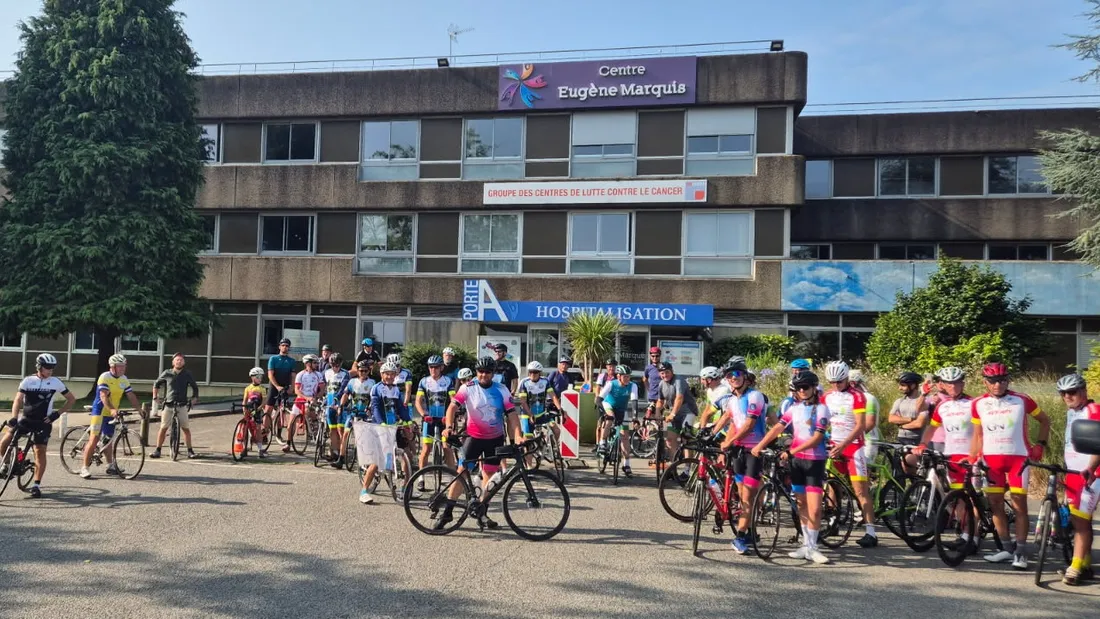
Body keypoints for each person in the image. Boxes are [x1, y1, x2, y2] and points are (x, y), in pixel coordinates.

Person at [970, 362, 1050, 569]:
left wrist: (1040, 445)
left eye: (1003, 380)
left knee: (1019, 505)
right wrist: (973, 457)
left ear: (1008, 380)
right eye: (993, 381)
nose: (998, 384)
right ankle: (1006, 548)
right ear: (985, 382)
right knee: (995, 505)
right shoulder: (978, 403)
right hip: (991, 461)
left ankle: (1021, 553)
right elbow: (978, 434)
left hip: (1018, 460)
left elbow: (1044, 420)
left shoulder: (1022, 400)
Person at [752, 371, 830, 564]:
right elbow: (778, 427)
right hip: (796, 463)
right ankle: (806, 545)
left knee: (814, 509)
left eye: (806, 387)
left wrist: (793, 450)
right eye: (798, 388)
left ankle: (813, 547)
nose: (802, 391)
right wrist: (759, 445)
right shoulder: (794, 409)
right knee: (801, 505)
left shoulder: (822, 409)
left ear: (814, 388)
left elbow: (817, 438)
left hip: (814, 461)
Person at [438, 357, 523, 529]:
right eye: (480, 371)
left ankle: (482, 513)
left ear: (493, 373)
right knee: (462, 473)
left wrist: (519, 435)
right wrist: (448, 427)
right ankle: (447, 512)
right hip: (474, 438)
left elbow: (512, 415)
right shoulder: (468, 388)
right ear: (476, 372)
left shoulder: (501, 389)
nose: (483, 375)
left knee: (490, 477)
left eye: (487, 372)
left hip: (495, 438)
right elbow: (452, 408)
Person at [0, 354, 75, 498]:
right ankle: (7, 464)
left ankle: (36, 484)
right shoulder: (28, 381)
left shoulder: (55, 382)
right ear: (39, 367)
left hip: (43, 422)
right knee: (5, 441)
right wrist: (14, 417)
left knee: (40, 451)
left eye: (52, 368)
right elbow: (18, 400)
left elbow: (71, 399)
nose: (50, 371)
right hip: (26, 419)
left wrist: (56, 414)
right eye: (47, 368)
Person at [914, 366, 972, 545]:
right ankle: (965, 534)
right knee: (956, 495)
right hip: (950, 453)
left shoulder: (975, 402)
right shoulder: (941, 404)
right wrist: (923, 443)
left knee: (972, 497)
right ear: (943, 385)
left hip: (971, 455)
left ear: (962, 383)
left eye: (956, 382)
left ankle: (973, 536)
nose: (953, 386)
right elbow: (930, 426)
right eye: (949, 383)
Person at [822, 360, 877, 548]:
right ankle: (833, 523)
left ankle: (871, 531)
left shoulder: (858, 396)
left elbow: (861, 426)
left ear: (847, 378)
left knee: (860, 491)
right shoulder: (827, 396)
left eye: (839, 381)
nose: (836, 385)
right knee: (832, 487)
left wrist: (843, 445)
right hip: (834, 445)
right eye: (832, 382)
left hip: (854, 447)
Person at [717, 359, 768, 554]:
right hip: (738, 452)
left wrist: (729, 443)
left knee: (747, 497)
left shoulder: (755, 396)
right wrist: (710, 434)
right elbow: (729, 421)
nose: (732, 378)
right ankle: (749, 531)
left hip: (754, 451)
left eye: (736, 374)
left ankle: (739, 537)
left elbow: (749, 425)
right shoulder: (732, 400)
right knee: (742, 496)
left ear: (745, 377)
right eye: (729, 376)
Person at [1055, 373, 1100, 585]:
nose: (1067, 396)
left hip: (1092, 474)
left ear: (1083, 391)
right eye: (1063, 393)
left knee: (1081, 521)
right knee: (1078, 519)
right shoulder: (1070, 413)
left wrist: (1091, 468)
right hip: (1073, 472)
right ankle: (1085, 564)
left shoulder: (1094, 410)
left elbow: (1099, 443)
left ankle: (1073, 568)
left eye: (1071, 392)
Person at [359, 361, 414, 504]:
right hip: (380, 426)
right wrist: (381, 423)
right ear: (382, 375)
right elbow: (376, 408)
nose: (390, 376)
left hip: (393, 426)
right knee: (378, 461)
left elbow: (401, 408)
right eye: (387, 374)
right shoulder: (376, 389)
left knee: (406, 455)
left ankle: (405, 488)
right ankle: (364, 491)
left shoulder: (396, 390)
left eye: (392, 374)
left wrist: (408, 421)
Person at [81, 354, 142, 479]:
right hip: (100, 411)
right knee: (94, 440)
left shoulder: (124, 379)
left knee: (108, 440)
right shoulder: (105, 377)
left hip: (111, 413)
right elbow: (103, 396)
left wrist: (139, 409)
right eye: (120, 366)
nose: (122, 369)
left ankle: (110, 465)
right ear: (112, 367)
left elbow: (130, 395)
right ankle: (84, 468)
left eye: (124, 366)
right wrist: (113, 409)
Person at [150, 352, 200, 460]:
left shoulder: (187, 374)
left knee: (186, 428)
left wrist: (194, 398)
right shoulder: (167, 373)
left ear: (184, 362)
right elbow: (156, 384)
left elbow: (195, 387)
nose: (179, 361)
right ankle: (157, 450)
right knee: (163, 428)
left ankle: (190, 450)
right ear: (173, 362)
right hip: (169, 404)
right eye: (177, 360)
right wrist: (155, 396)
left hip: (182, 405)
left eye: (181, 360)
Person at [415, 355, 456, 482]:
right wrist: (423, 415)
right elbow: (418, 401)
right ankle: (421, 478)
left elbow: (453, 400)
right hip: (429, 419)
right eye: (431, 367)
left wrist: (450, 417)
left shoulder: (448, 381)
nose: (433, 370)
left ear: (441, 367)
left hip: (444, 419)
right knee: (426, 449)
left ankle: (452, 477)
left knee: (447, 448)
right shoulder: (424, 381)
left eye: (436, 367)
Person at [596, 365, 639, 477]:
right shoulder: (611, 384)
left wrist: (635, 418)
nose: (627, 379)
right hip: (608, 405)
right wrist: (605, 413)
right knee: (610, 420)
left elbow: (634, 402)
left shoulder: (633, 386)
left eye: (629, 377)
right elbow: (598, 399)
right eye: (625, 377)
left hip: (621, 409)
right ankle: (603, 442)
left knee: (625, 436)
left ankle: (626, 464)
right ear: (618, 376)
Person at [655, 361, 699, 461]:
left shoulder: (678, 380)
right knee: (670, 440)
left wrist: (672, 414)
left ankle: (687, 470)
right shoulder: (661, 384)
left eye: (667, 372)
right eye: (662, 373)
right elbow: (660, 401)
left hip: (688, 412)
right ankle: (673, 466)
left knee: (685, 439)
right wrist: (657, 413)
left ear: (672, 371)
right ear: (659, 374)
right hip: (675, 414)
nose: (665, 375)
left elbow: (679, 398)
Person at [282, 354, 324, 454]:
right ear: (307, 363)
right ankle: (288, 443)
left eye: (317, 362)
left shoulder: (318, 375)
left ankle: (317, 437)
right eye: (314, 362)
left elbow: (322, 389)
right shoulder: (300, 374)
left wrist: (316, 397)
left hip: (312, 401)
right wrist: (306, 398)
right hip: (300, 400)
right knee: (290, 425)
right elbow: (296, 390)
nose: (316, 364)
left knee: (312, 416)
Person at [339, 360, 376, 466]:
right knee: (346, 433)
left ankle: (363, 459)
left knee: (363, 437)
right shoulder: (352, 382)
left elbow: (373, 399)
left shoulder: (372, 383)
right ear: (358, 371)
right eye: (361, 371)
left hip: (365, 413)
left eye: (365, 371)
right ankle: (341, 458)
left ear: (368, 371)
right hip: (353, 412)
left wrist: (369, 408)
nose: (363, 373)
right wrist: (341, 405)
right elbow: (346, 394)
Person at [889, 371, 930, 448]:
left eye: (903, 385)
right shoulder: (899, 401)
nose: (899, 388)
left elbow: (919, 424)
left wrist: (901, 425)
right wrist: (911, 419)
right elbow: (891, 418)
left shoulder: (924, 401)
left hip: (918, 440)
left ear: (913, 385)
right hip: (901, 439)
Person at [323, 353, 351, 465]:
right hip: (330, 404)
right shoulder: (326, 373)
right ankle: (334, 453)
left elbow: (343, 389)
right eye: (334, 365)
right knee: (332, 429)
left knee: (341, 430)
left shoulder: (345, 374)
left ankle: (342, 454)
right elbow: (325, 388)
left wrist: (336, 400)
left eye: (338, 365)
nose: (336, 367)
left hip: (341, 405)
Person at [265, 338, 297, 435]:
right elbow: (270, 375)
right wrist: (277, 386)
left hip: (285, 387)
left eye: (287, 346)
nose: (285, 347)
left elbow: (293, 375)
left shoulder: (291, 361)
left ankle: (279, 433)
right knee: (268, 409)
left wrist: (292, 388)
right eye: (283, 345)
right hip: (274, 387)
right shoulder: (273, 359)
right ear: (279, 347)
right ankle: (264, 431)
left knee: (282, 410)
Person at [849, 370, 881, 465]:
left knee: (865, 471)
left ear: (852, 383)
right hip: (852, 439)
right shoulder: (850, 398)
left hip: (868, 440)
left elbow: (870, 423)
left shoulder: (868, 398)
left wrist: (852, 436)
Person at [242, 367, 269, 457]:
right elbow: (244, 401)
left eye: (261, 377)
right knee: (245, 429)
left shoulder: (262, 388)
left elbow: (264, 400)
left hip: (257, 410)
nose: (260, 379)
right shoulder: (248, 388)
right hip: (249, 410)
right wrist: (244, 409)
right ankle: (244, 448)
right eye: (258, 377)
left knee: (258, 429)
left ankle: (260, 449)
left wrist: (259, 408)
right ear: (253, 377)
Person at [697, 366, 730, 436]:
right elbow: (707, 409)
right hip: (716, 424)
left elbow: (726, 414)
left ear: (709, 379)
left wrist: (707, 427)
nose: (701, 381)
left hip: (726, 425)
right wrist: (702, 426)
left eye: (703, 379)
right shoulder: (709, 391)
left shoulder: (724, 390)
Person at [642, 347, 663, 413]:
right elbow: (645, 379)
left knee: (659, 415)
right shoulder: (648, 368)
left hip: (662, 396)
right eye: (653, 356)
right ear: (650, 356)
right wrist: (649, 389)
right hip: (652, 395)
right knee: (648, 415)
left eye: (657, 356)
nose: (655, 358)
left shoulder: (664, 367)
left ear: (660, 356)